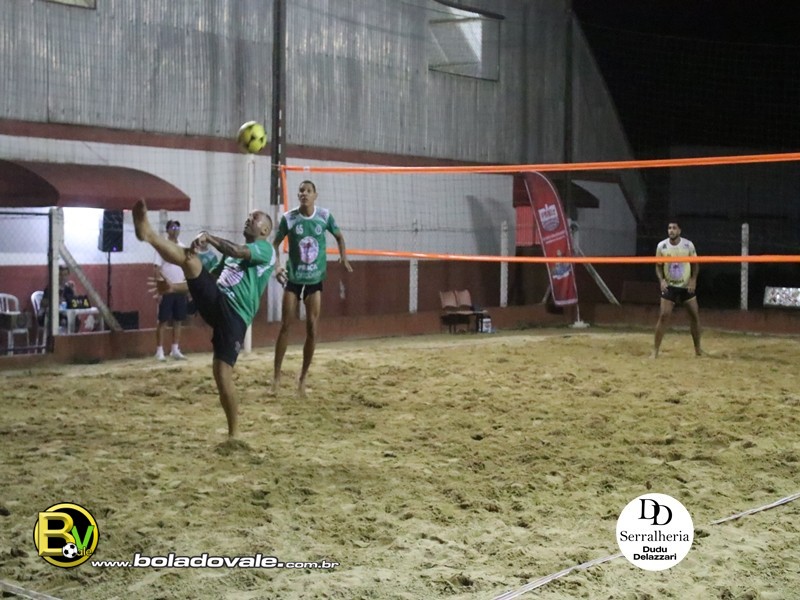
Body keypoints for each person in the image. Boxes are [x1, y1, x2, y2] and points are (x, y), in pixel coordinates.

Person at [133, 200, 275, 440]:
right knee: (190, 260)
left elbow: (237, 251)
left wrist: (209, 237)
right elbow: (207, 278)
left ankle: (234, 434)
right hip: (216, 300)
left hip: (235, 315)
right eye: (249, 216)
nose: (248, 219)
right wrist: (173, 287)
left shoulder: (265, 250)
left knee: (222, 373)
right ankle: (148, 234)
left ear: (265, 230)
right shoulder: (230, 257)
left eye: (254, 218)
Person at [272, 180, 352, 396]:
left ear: (315, 195)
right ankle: (276, 377)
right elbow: (274, 244)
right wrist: (277, 267)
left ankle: (302, 378)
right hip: (294, 279)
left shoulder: (324, 216)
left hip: (314, 280)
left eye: (308, 191)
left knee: (312, 328)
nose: (304, 194)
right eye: (301, 191)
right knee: (285, 325)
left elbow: (339, 237)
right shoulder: (289, 218)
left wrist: (343, 257)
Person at [653, 221, 702, 358]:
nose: (671, 230)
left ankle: (698, 349)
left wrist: (693, 280)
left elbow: (695, 264)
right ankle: (655, 350)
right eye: (669, 228)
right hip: (670, 286)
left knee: (694, 316)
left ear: (679, 230)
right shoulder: (661, 246)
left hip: (686, 286)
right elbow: (658, 266)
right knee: (664, 316)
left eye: (674, 228)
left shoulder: (688, 245)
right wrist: (661, 280)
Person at [154, 220, 189, 361]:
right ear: (167, 230)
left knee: (178, 320)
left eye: (178, 227)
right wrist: (160, 288)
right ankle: (159, 350)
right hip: (167, 290)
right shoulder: (162, 247)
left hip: (180, 288)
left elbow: (186, 267)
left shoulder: (182, 247)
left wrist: (186, 287)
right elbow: (157, 269)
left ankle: (175, 349)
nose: (175, 230)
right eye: (173, 227)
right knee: (163, 320)